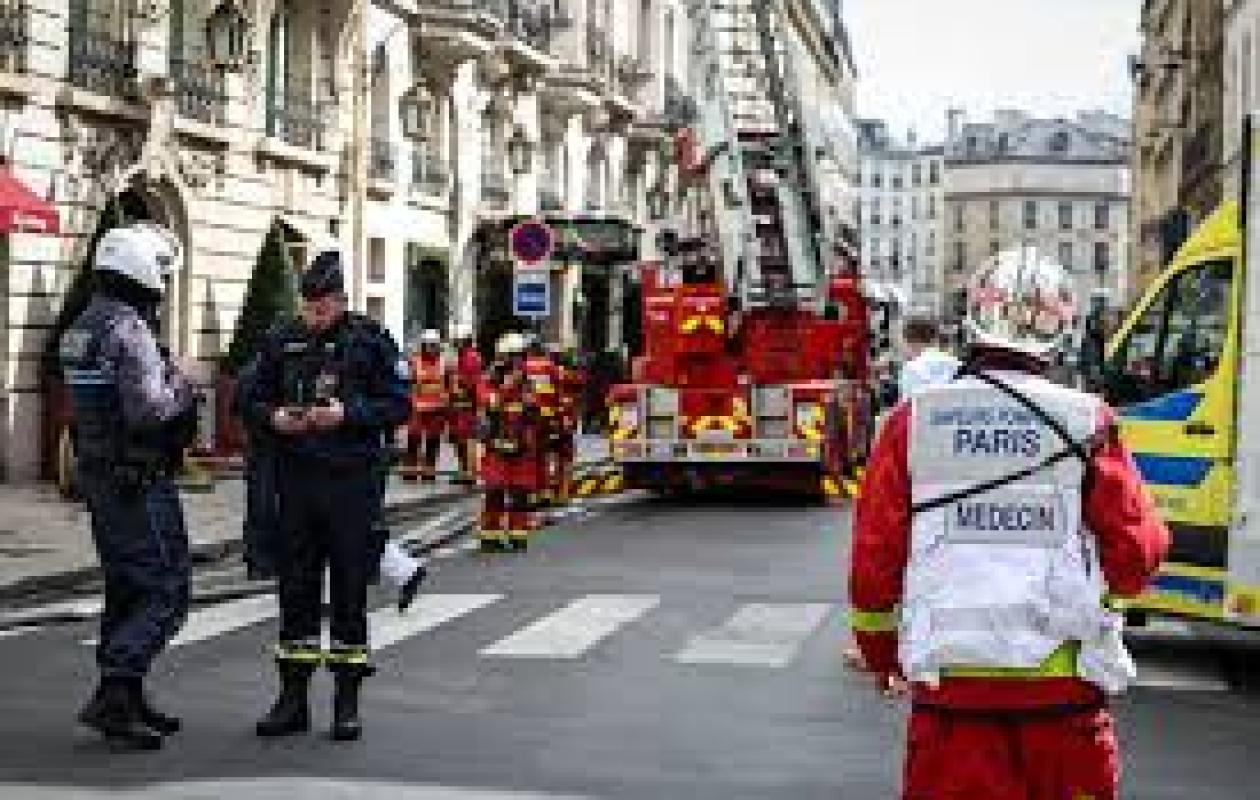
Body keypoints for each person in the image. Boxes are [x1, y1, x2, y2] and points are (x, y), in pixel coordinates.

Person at [848, 247, 1170, 800]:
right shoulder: (1086, 420)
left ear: (972, 319)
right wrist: (1102, 607)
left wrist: (883, 657)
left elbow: (874, 564)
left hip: (952, 703)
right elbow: (1137, 553)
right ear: (1061, 329)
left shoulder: (913, 422)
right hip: (1064, 703)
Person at [242, 249, 411, 742]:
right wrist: (273, 417)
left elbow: (398, 404)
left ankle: (346, 702)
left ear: (340, 300)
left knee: (349, 594)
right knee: (295, 590)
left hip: (350, 484)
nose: (313, 315)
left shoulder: (371, 342)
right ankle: (291, 699)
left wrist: (349, 415)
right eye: (308, 306)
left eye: (322, 306)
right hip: (294, 482)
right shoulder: (281, 339)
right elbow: (247, 399)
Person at [61, 223, 199, 751]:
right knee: (167, 587)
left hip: (99, 474)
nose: (162, 284)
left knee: (126, 585)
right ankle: (117, 692)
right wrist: (183, 380)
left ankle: (124, 694)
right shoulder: (128, 330)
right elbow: (149, 409)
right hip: (139, 478)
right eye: (160, 272)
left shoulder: (82, 325)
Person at [477, 333, 539, 551]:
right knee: (495, 491)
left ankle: (518, 534)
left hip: (521, 447)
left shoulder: (527, 382)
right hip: (497, 447)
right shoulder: (489, 380)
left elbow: (532, 410)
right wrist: (507, 388)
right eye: (516, 357)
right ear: (504, 358)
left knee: (521, 493)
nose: (520, 362)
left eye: (522, 357)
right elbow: (490, 403)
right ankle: (490, 536)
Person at [405, 329, 447, 482]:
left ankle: (429, 471)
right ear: (423, 346)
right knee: (414, 439)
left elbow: (449, 384)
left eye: (434, 346)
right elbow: (407, 382)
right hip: (417, 408)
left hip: (437, 408)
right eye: (429, 346)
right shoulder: (414, 361)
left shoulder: (444, 362)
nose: (432, 349)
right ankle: (410, 471)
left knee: (433, 440)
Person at [445, 324, 482, 485]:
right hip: (458, 406)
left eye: (459, 341)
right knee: (459, 439)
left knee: (467, 439)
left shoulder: (471, 357)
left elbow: (471, 383)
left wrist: (458, 388)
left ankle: (469, 472)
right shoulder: (460, 357)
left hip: (467, 406)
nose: (457, 344)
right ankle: (464, 470)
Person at [898, 313, 961, 400]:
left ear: (910, 343)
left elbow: (908, 406)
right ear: (934, 338)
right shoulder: (956, 364)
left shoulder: (911, 369)